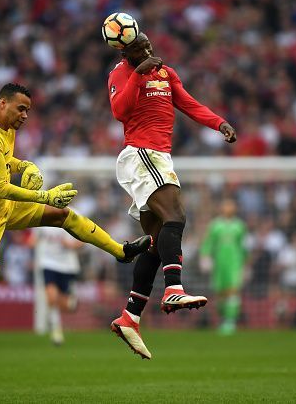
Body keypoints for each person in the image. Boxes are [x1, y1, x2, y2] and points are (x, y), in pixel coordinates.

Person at [0, 83, 151, 376]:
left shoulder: (7, 127)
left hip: (3, 207)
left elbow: (6, 163)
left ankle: (121, 251)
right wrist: (44, 195)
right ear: (2, 103)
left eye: (28, 111)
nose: (25, 116)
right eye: (21, 109)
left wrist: (26, 166)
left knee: (64, 216)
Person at [107, 33, 237, 359]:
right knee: (176, 215)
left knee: (155, 240)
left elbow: (188, 103)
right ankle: (174, 290)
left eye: (149, 46)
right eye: (141, 48)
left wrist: (218, 123)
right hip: (141, 154)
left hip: (159, 156)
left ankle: (130, 317)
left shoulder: (166, 73)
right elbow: (120, 112)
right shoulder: (121, 74)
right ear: (127, 53)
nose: (149, 51)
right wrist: (138, 74)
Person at [199, 199, 247, 335]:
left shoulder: (239, 226)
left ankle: (230, 321)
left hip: (234, 264)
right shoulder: (215, 225)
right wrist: (205, 256)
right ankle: (223, 318)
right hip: (219, 264)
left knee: (232, 291)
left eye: (231, 205)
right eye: (226, 205)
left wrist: (246, 264)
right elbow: (208, 242)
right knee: (220, 293)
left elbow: (243, 246)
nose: (228, 208)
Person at [34, 227, 83, 345]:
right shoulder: (43, 215)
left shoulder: (76, 214)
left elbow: (84, 239)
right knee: (51, 297)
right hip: (48, 263)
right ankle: (56, 329)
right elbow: (35, 238)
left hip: (67, 266)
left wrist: (72, 245)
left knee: (68, 305)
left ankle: (71, 300)